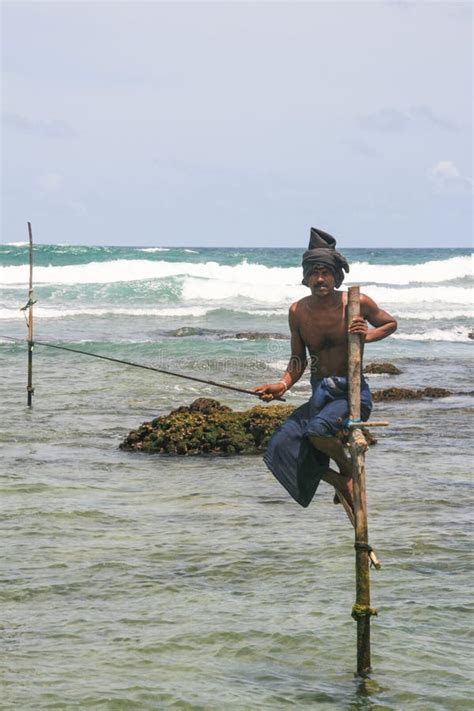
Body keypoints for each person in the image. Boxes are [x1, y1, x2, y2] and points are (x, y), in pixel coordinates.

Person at [254, 227, 397, 510]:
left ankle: (348, 477)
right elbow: (298, 360)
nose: (320, 278)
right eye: (313, 273)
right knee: (281, 445)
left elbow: (390, 323)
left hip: (351, 395)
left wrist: (366, 335)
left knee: (317, 432)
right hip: (320, 395)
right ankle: (344, 478)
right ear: (305, 278)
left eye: (325, 272)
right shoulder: (297, 311)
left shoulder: (355, 303)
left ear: (336, 276)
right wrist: (281, 385)